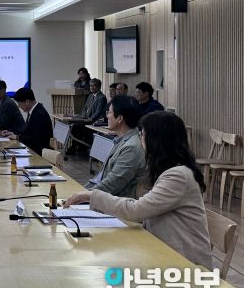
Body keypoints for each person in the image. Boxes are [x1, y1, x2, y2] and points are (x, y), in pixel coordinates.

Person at [65, 111, 213, 269]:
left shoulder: (178, 176)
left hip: (186, 265)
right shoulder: (170, 170)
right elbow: (145, 206)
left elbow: (137, 210)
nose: (140, 138)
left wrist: (93, 196)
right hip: (165, 253)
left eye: (142, 134)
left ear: (156, 140)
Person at [87, 96, 145, 198]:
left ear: (120, 118)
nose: (107, 116)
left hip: (116, 202)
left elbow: (112, 184)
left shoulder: (132, 147)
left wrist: (84, 194)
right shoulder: (123, 139)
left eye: (109, 112)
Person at [2, 87, 52, 155]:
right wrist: (13, 133)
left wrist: (17, 137)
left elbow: (35, 140)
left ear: (27, 102)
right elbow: (27, 131)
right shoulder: (34, 111)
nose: (19, 106)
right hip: (33, 149)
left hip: (40, 153)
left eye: (19, 103)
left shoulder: (39, 114)